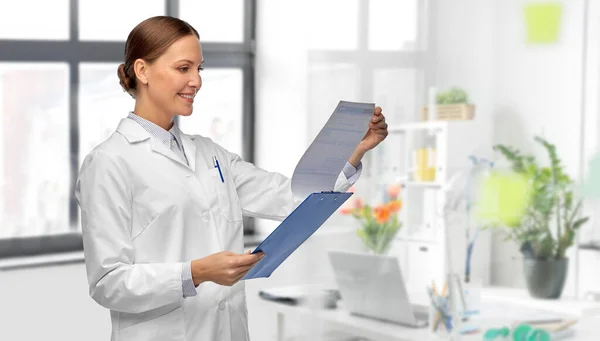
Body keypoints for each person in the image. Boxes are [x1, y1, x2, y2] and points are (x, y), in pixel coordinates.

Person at [74, 16, 388, 341]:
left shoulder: (209, 153)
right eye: (184, 68)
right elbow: (107, 283)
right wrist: (195, 273)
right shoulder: (109, 161)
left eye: (200, 69)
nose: (196, 81)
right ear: (142, 71)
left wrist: (353, 153)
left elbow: (290, 197)